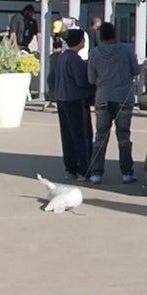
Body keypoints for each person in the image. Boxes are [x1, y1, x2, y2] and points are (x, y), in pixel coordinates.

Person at [87, 22, 141, 184]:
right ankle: (126, 172)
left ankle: (96, 173)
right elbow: (136, 70)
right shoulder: (126, 50)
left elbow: (90, 78)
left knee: (101, 136)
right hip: (124, 97)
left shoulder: (95, 53)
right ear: (114, 34)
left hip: (103, 96)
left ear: (100, 36)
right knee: (124, 136)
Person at [53, 29, 93, 181]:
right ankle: (84, 169)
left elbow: (52, 78)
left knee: (67, 136)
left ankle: (70, 168)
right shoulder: (76, 60)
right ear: (80, 42)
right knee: (81, 136)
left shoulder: (61, 57)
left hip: (62, 100)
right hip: (76, 100)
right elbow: (81, 81)